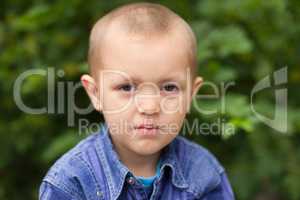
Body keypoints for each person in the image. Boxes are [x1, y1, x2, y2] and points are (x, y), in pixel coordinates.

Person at [39, 2, 235, 199]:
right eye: (126, 88)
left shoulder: (203, 174)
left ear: (191, 95)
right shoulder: (71, 181)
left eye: (169, 88)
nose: (149, 107)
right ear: (96, 94)